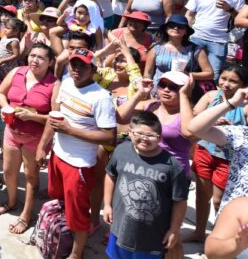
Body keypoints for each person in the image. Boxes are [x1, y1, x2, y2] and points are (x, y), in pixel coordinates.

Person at [36, 48, 116, 259]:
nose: (77, 69)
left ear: (93, 69)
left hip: (79, 164)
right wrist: (43, 146)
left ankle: (76, 253)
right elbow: (55, 118)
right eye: (74, 64)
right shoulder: (66, 83)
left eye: (83, 65)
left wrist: (71, 131)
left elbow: (109, 137)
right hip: (58, 156)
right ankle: (61, 238)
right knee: (61, 203)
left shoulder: (101, 97)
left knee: (78, 214)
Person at [103, 112, 189, 259]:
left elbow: (179, 201)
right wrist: (107, 204)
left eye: (151, 135)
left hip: (152, 239)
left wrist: (174, 229)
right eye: (139, 133)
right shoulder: (121, 151)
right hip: (120, 229)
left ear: (160, 138)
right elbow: (111, 175)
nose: (144, 138)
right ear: (129, 132)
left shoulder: (173, 166)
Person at [0, 44, 58, 234]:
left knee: (31, 176)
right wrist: (6, 107)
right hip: (12, 133)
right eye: (32, 55)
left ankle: (26, 215)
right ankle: (12, 202)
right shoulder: (16, 72)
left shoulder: (54, 84)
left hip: (35, 138)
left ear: (50, 62)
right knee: (8, 171)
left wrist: (33, 117)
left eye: (40, 58)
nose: (34, 60)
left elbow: (55, 117)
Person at [183, 64, 248, 244]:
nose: (226, 84)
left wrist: (230, 128)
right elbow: (194, 120)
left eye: (233, 81)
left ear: (243, 85)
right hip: (204, 150)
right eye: (224, 78)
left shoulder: (245, 106)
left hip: (227, 159)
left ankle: (218, 239)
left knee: (220, 201)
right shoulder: (211, 96)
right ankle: (199, 232)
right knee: (202, 195)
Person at [186, 0, 246, 82]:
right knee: (189, 71)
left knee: (213, 76)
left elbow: (239, 19)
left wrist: (229, 9)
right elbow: (189, 14)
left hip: (219, 41)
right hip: (196, 37)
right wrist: (186, 33)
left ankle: (208, 99)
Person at [144, 14, 212, 90]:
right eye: (172, 25)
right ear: (166, 29)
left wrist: (188, 74)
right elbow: (148, 73)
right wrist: (147, 86)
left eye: (181, 26)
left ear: (186, 31)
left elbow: (209, 73)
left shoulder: (195, 49)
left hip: (183, 89)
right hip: (159, 88)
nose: (176, 28)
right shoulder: (156, 48)